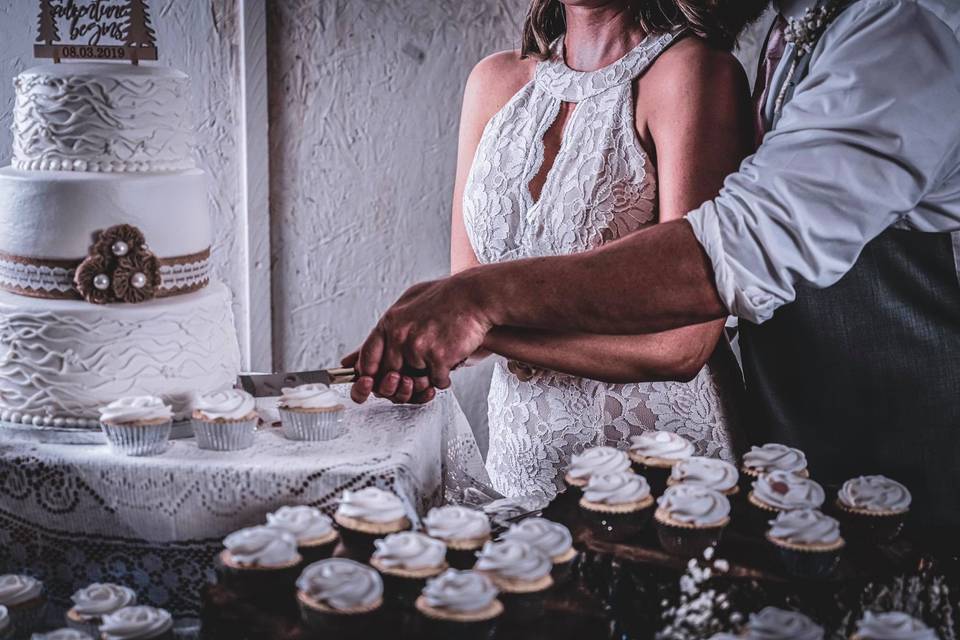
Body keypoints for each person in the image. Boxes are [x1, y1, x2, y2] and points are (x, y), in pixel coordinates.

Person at [348, 0, 960, 527]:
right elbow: (468, 293)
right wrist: (442, 336)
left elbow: (707, 294)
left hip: (704, 451)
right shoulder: (795, 29)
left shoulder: (902, 32)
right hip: (531, 448)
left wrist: (477, 310)